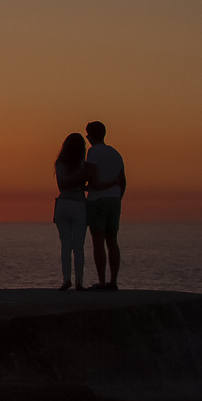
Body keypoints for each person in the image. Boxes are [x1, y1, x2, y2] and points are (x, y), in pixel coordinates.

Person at [83, 120, 126, 290]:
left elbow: (92, 176)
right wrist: (117, 197)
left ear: (90, 135)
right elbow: (123, 181)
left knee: (98, 242)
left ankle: (102, 282)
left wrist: (92, 185)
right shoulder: (115, 153)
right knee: (113, 241)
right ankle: (113, 281)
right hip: (114, 200)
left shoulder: (93, 152)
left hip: (97, 200)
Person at [52, 132, 89, 290]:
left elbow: (62, 185)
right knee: (79, 247)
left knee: (65, 246)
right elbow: (83, 183)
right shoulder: (83, 164)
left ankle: (66, 279)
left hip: (62, 204)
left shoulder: (59, 163)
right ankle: (79, 282)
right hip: (79, 204)